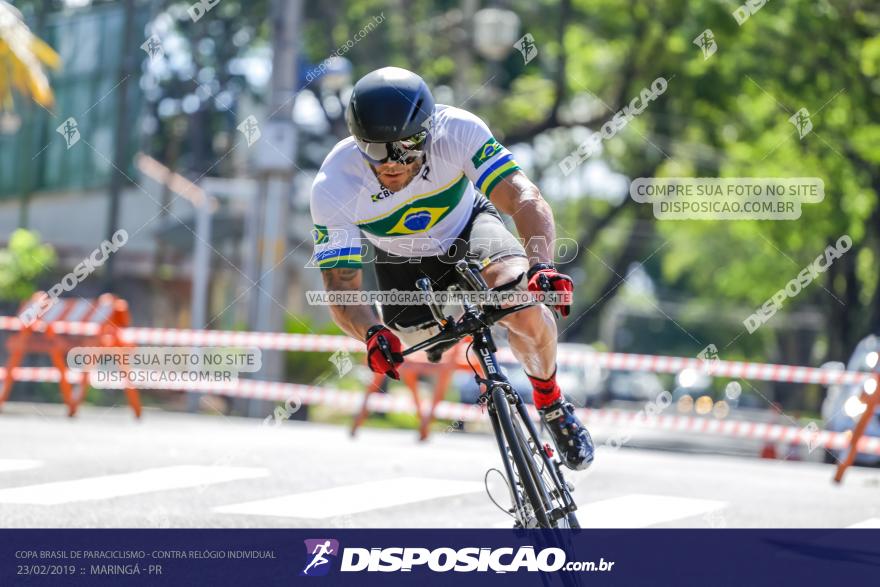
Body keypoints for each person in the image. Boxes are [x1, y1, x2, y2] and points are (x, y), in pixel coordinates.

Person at [309, 66, 593, 470]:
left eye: (404, 147)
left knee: (525, 305)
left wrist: (541, 266)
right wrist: (370, 333)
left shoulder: (458, 130)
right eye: (375, 149)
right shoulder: (333, 185)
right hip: (399, 257)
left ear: (427, 132)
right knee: (408, 343)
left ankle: (550, 400)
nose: (390, 163)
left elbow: (524, 198)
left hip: (468, 228)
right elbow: (341, 284)